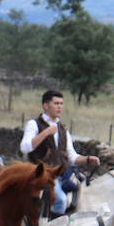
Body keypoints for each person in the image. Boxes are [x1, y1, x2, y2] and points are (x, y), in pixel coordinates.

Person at [19, 89, 99, 217]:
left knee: (84, 193)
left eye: (61, 103)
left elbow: (72, 156)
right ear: (46, 106)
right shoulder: (34, 124)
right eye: (56, 103)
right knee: (60, 200)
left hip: (62, 173)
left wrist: (88, 159)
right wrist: (45, 133)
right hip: (43, 174)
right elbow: (25, 148)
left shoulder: (62, 129)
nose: (60, 106)